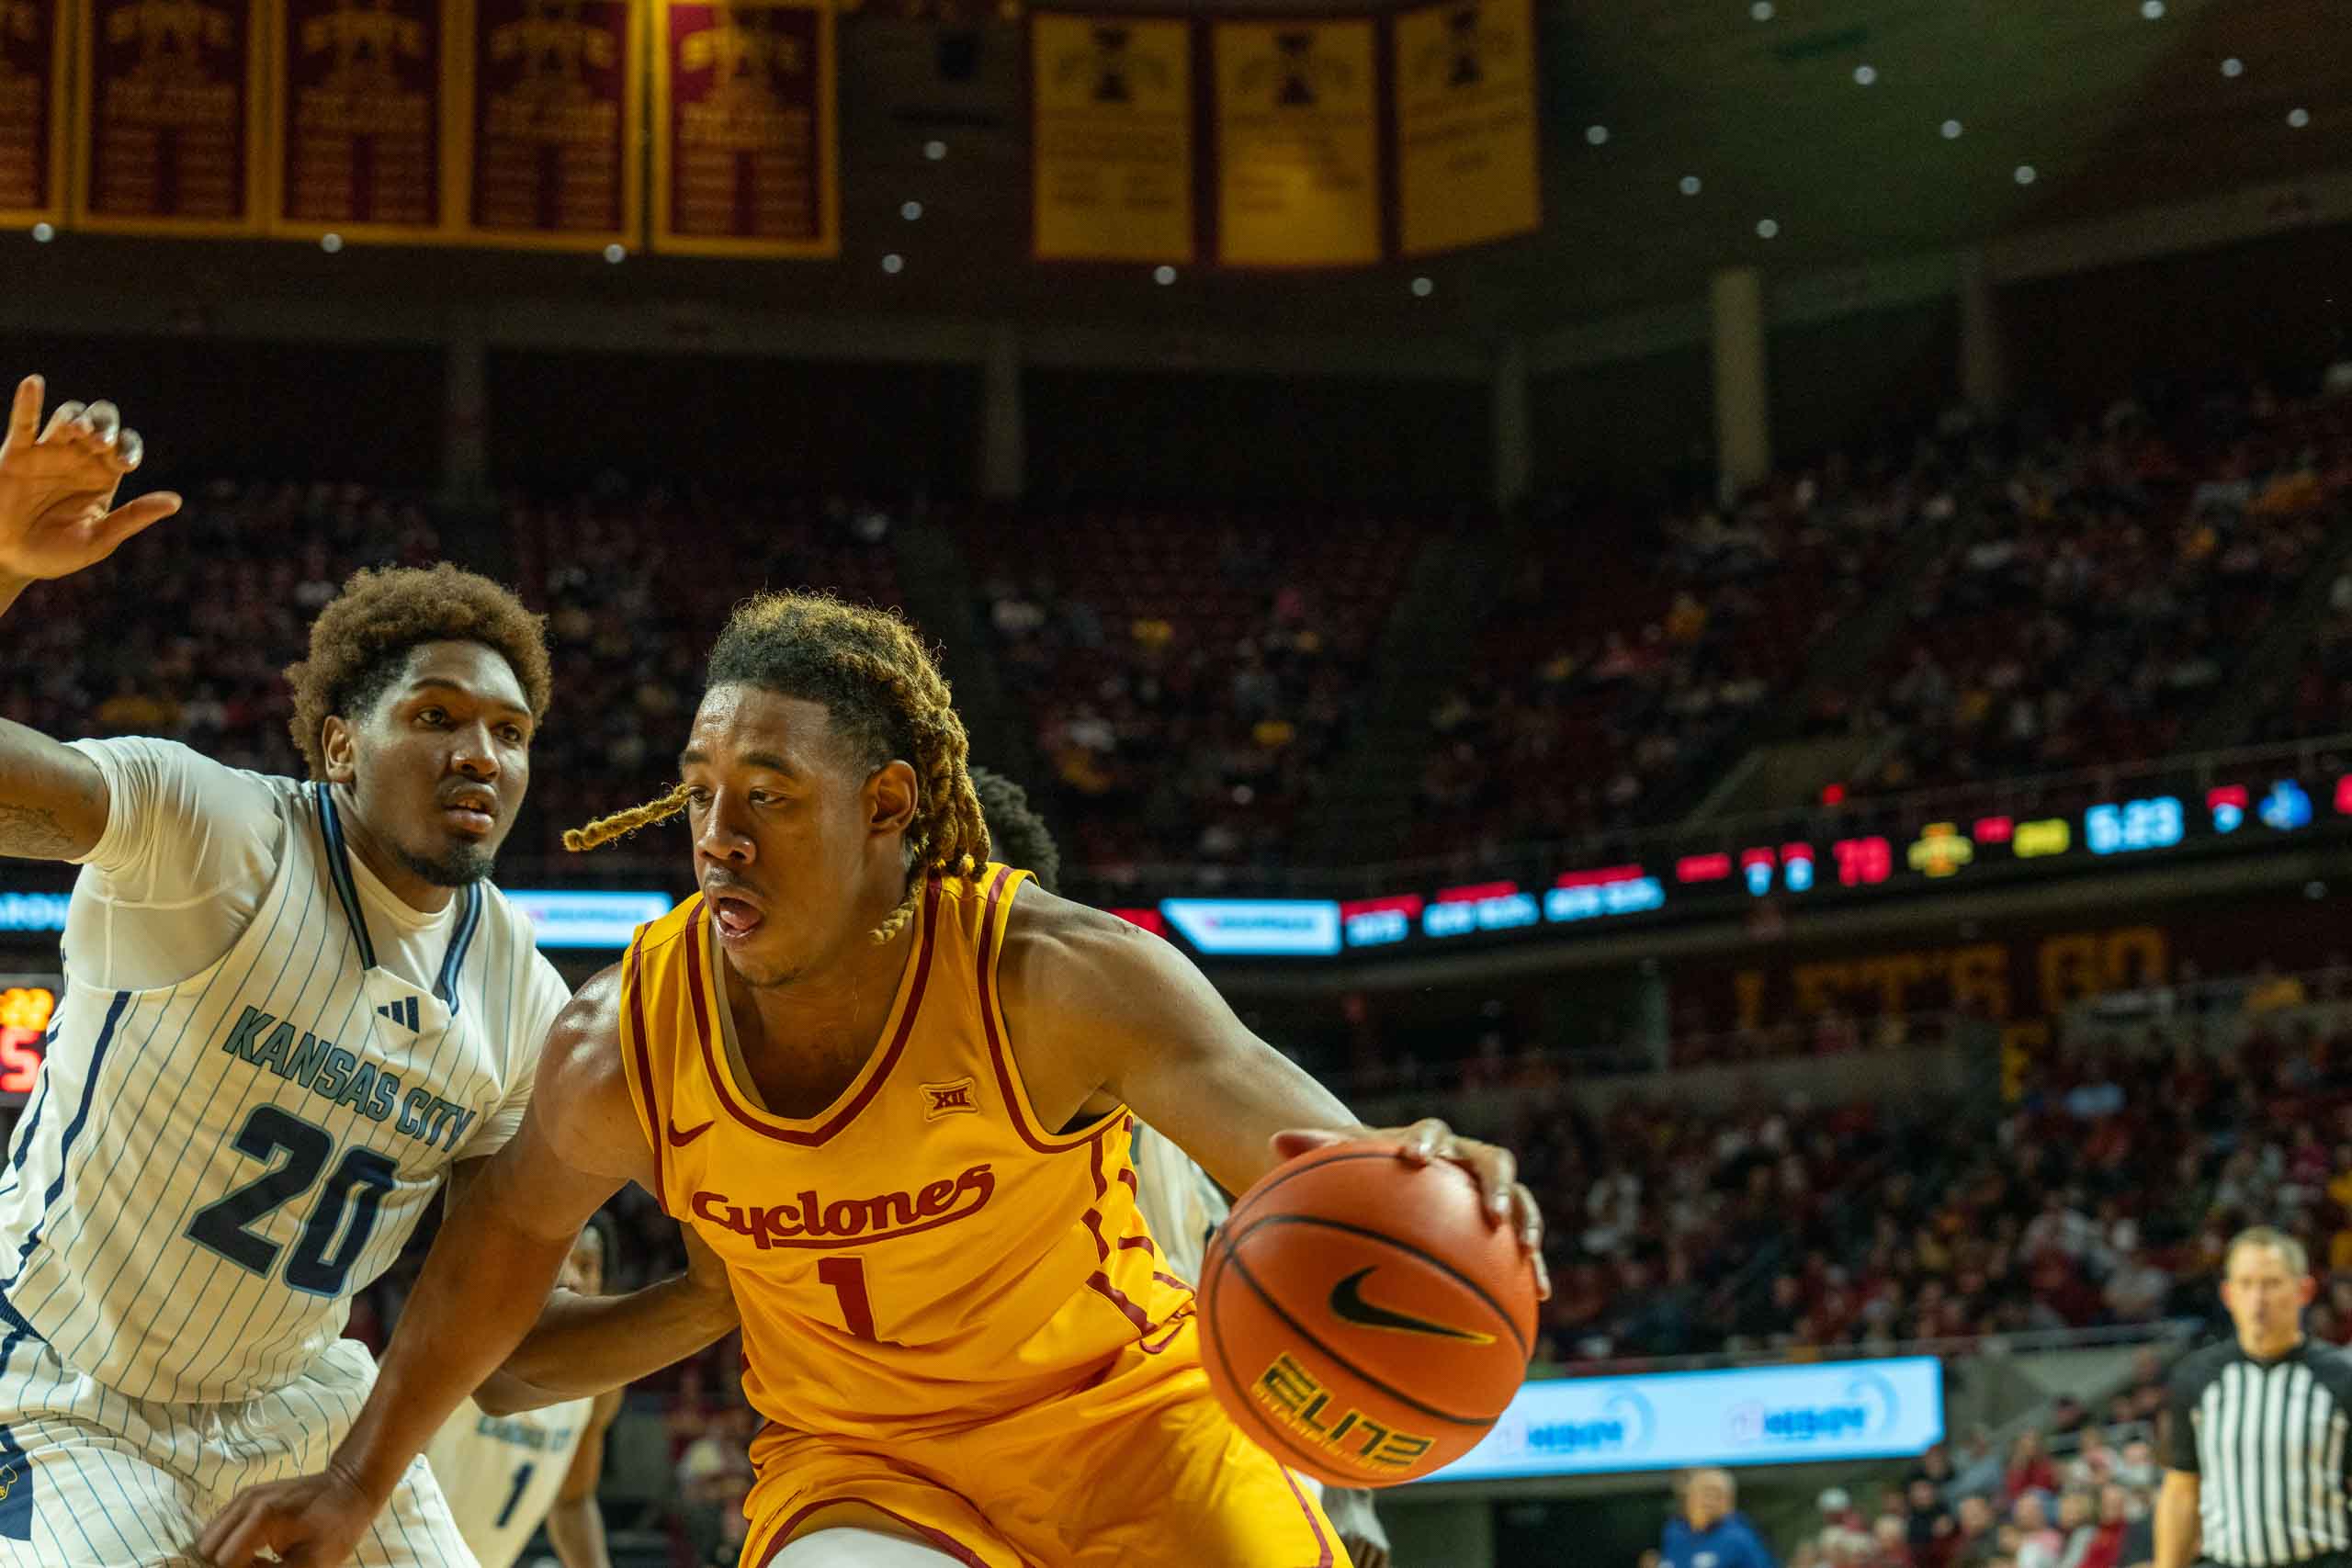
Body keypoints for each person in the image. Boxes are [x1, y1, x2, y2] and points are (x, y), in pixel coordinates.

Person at [199, 590, 1547, 1568]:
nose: (717, 838)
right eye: (700, 791)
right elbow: (498, 1248)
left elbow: (1301, 1141)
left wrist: (1413, 1155)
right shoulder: (624, 1037)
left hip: (1133, 1431)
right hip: (868, 1474)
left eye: (769, 794)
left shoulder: (1057, 978)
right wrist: (357, 1478)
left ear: (890, 807)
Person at [0, 374, 571, 1565]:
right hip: (66, 1385)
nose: (480, 751)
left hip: (299, 1401)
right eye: (437, 714)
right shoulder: (212, 833)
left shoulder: (524, 992)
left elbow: (512, 1321)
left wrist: (729, 1294)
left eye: (510, 731)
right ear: (338, 743)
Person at [967, 763, 1394, 1568]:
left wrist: (1347, 1492)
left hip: (1156, 1441)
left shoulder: (1130, 1087)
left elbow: (1265, 1281)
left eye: (972, 882)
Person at [423, 1221, 624, 1568]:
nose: (572, 1280)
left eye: (587, 1266)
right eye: (560, 1260)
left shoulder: (601, 1386)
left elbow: (572, 1502)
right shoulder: (461, 1341)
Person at [2155, 1225, 2352, 1568]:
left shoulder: (2340, 1376)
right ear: (2228, 1294)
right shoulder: (2197, 1377)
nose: (2258, 1299)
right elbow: (2181, 1490)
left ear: (2303, 1290)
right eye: (2245, 1284)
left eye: (2272, 1284)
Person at [1662, 1469, 1777, 1568]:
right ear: (1689, 1498)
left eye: (1717, 1495)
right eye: (1704, 1493)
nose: (1709, 1501)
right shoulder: (1674, 1532)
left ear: (1730, 1503)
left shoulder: (1740, 1538)